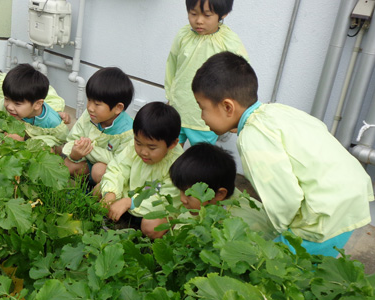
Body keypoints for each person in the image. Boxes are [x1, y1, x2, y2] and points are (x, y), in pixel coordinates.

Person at [191, 52, 374, 257]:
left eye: (202, 108)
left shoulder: (252, 138)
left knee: (282, 269)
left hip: (323, 214)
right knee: (320, 263)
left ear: (227, 107)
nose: (201, 117)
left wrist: (278, 237)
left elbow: (285, 201)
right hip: (346, 195)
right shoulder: (276, 111)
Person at [165, 0, 249, 147]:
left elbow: (241, 78)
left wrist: (238, 113)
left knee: (199, 164)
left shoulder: (229, 42)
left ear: (223, 13)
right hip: (178, 109)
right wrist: (170, 97)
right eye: (193, 13)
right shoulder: (183, 36)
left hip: (207, 119)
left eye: (207, 15)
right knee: (169, 156)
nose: (199, 20)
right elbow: (172, 66)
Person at [98, 102, 183, 239]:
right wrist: (111, 193)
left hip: (156, 208)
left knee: (151, 226)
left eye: (152, 148)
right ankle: (110, 221)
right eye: (138, 143)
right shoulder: (133, 147)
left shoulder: (178, 164)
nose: (143, 151)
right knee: (101, 188)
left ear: (172, 144)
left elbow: (167, 197)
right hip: (129, 196)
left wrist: (130, 202)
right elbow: (118, 168)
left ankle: (158, 239)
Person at [170, 143, 277, 240]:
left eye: (189, 194)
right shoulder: (197, 208)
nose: (182, 199)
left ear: (220, 194)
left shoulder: (244, 224)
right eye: (180, 191)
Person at [62, 67, 135, 183]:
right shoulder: (90, 115)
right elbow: (72, 139)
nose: (90, 108)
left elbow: (119, 162)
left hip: (110, 172)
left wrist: (89, 149)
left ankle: (95, 196)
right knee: (66, 165)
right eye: (89, 100)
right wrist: (75, 154)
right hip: (87, 162)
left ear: (118, 108)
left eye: (97, 104)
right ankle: (81, 187)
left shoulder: (128, 132)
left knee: (99, 171)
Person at [0, 64, 68, 151]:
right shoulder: (9, 105)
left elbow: (62, 139)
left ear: (37, 104)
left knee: (45, 149)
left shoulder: (52, 121)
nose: (9, 107)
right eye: (6, 99)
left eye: (17, 104)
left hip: (41, 141)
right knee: (12, 135)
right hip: (24, 137)